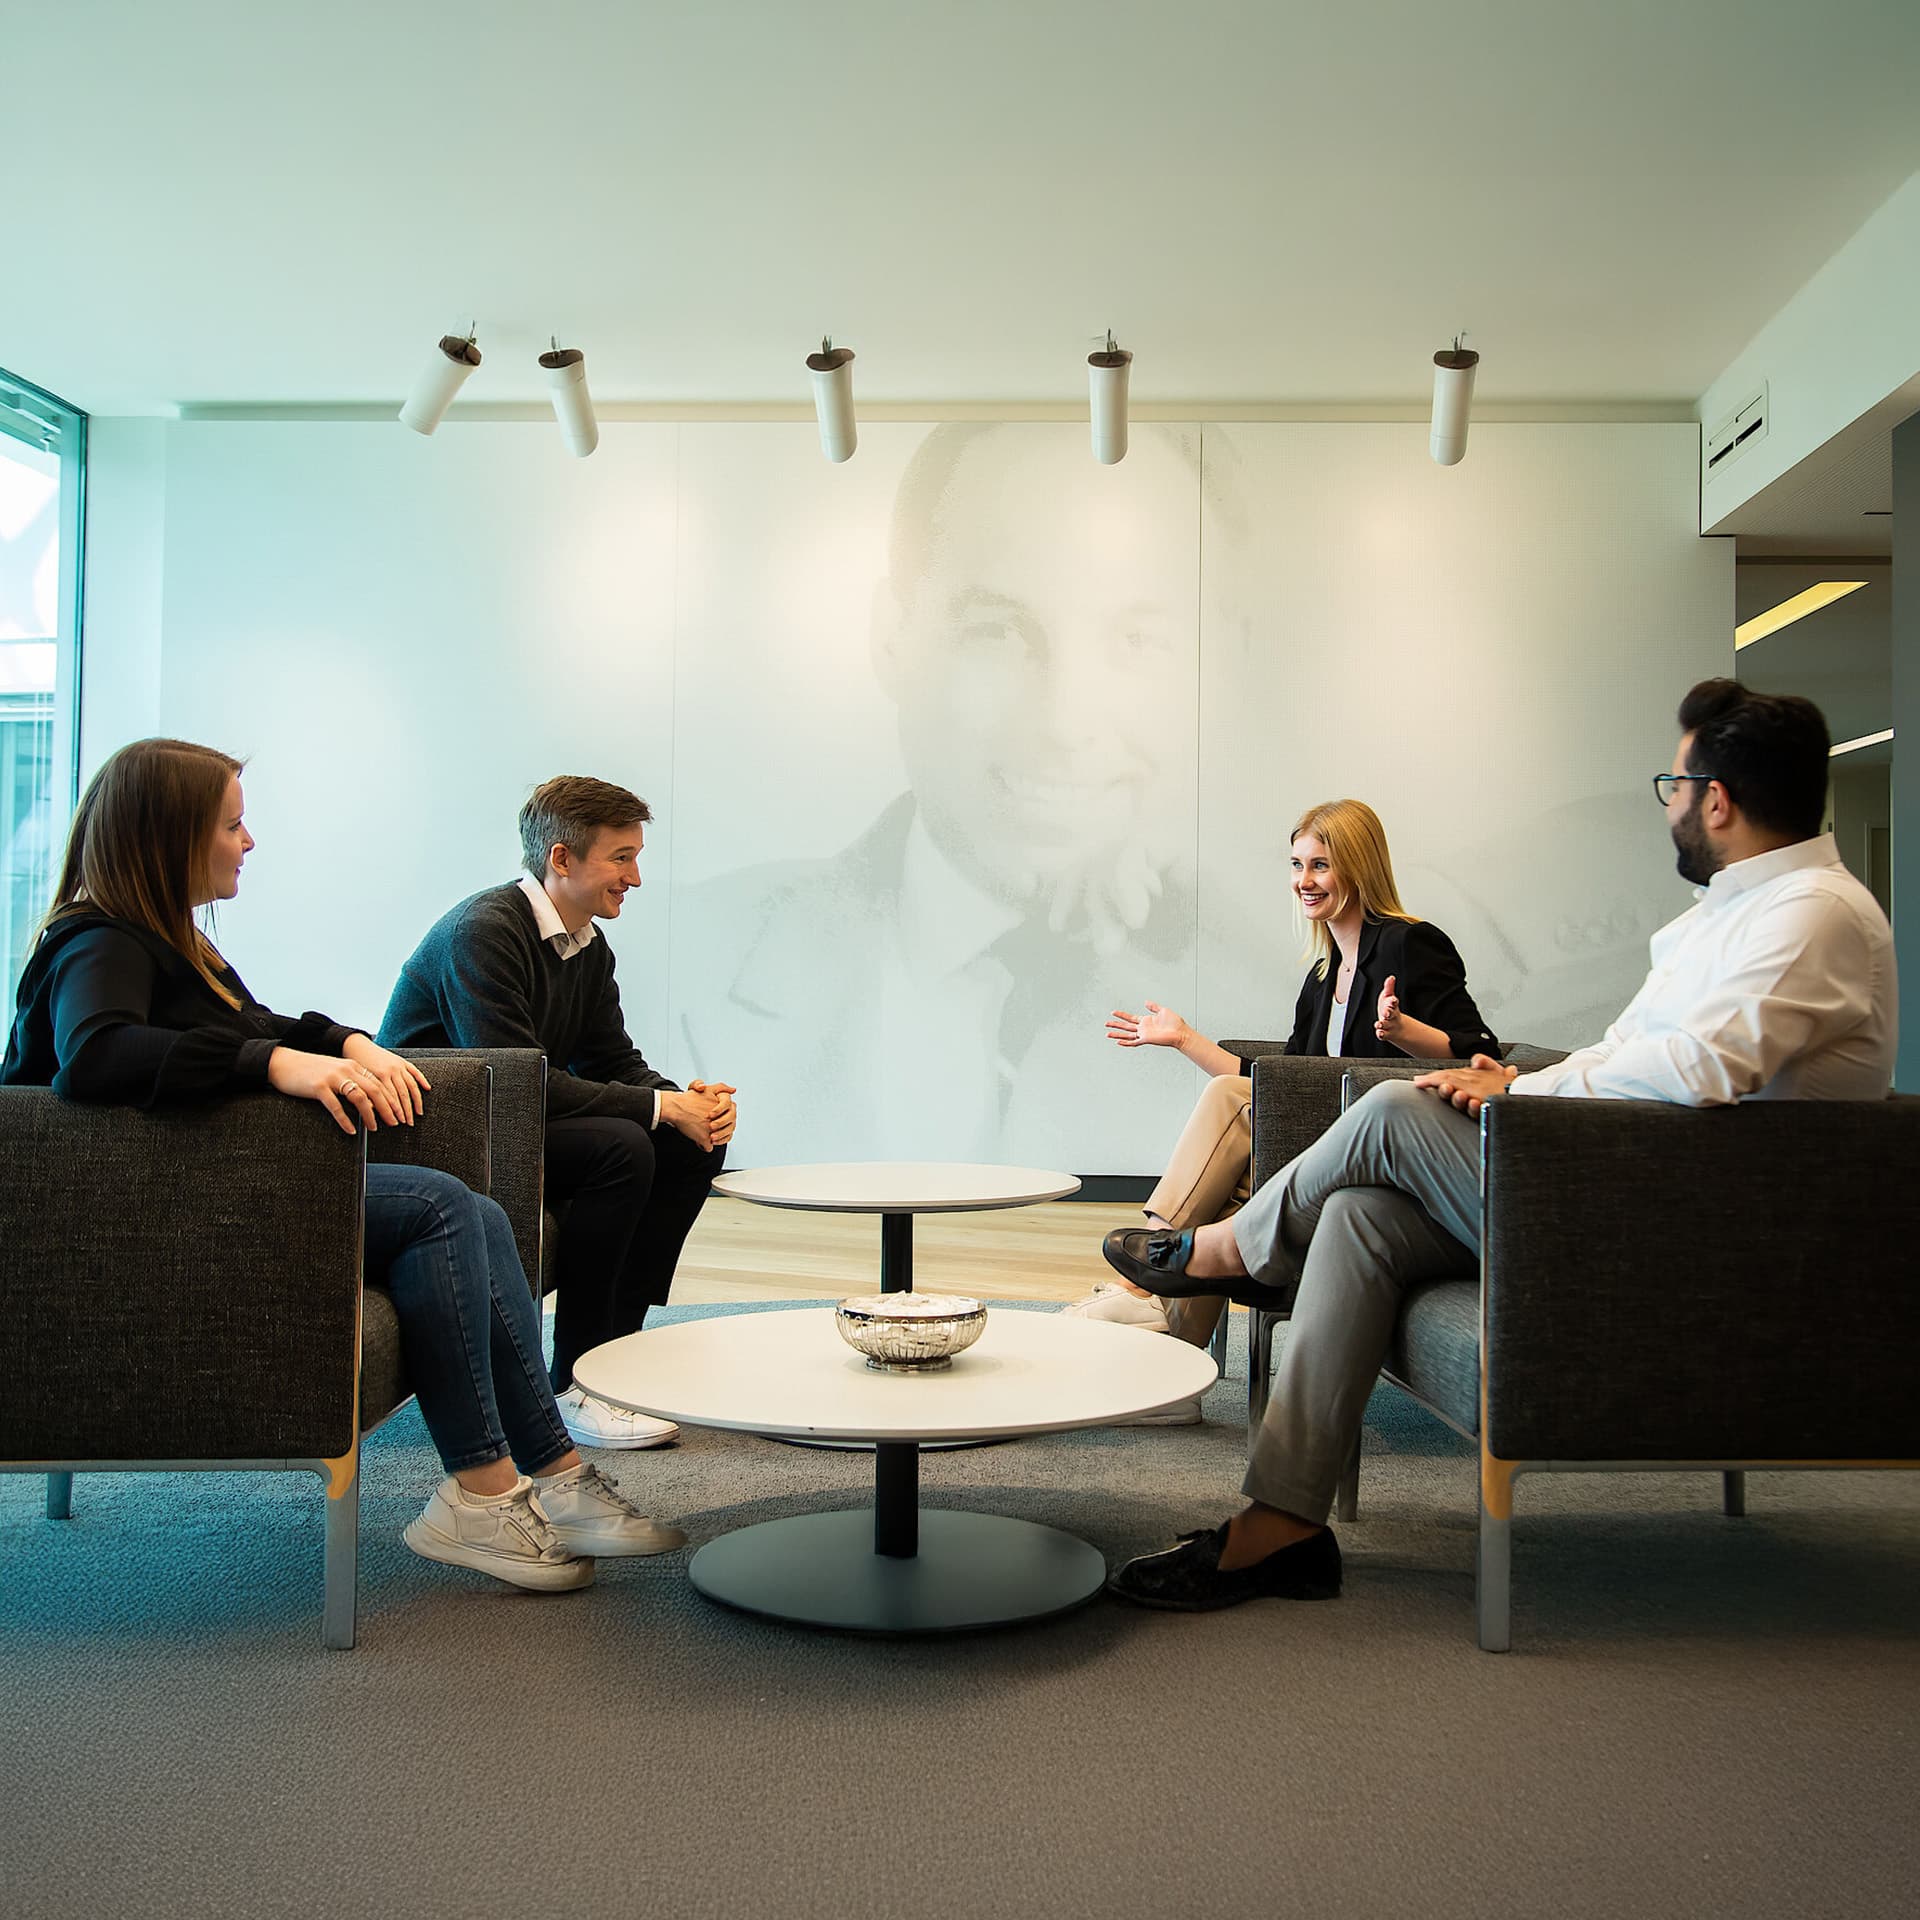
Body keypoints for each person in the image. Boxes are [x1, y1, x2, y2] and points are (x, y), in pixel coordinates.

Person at [1098, 681, 1897, 1610]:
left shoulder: (1812, 914)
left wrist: (1515, 1084)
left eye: (1672, 785)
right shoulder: (1740, 915)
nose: (1670, 804)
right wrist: (1522, 1084)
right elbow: (1628, 1053)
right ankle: (1285, 1524)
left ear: (1715, 797)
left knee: (1396, 1111)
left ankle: (1236, 1247)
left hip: (1693, 1232)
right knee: (1358, 1217)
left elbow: (1697, 1069)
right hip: (1631, 1186)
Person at [2, 738, 683, 1593]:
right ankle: (488, 1490)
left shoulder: (168, 945)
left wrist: (340, 1038)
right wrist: (276, 1066)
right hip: (148, 1223)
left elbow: (256, 1019)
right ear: (168, 835)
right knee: (444, 1206)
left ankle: (546, 1475)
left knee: (472, 1210)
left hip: (213, 1191)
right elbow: (96, 1055)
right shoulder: (97, 941)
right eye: (232, 824)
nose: (248, 843)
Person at [674, 422, 1207, 1169]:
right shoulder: (676, 957)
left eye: (1137, 642)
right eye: (998, 631)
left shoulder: (1263, 971)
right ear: (893, 636)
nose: (1065, 724)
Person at [1073, 798, 1496, 1387]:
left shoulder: (1411, 944)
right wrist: (1183, 1038)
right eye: (1297, 866)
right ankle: (1173, 1377)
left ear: (1358, 866)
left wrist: (1404, 1032)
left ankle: (1143, 1275)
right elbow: (1279, 1084)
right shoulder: (1323, 976)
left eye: (1320, 865)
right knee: (1232, 1180)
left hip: (1379, 1152)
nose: (1304, 881)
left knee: (1230, 1107)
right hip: (1319, 1143)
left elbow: (1482, 1053)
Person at [379, 775, 736, 1450]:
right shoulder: (483, 934)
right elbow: (516, 1082)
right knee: (621, 1148)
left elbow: (612, 1061)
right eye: (620, 857)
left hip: (507, 1121)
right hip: (438, 1138)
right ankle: (575, 1383)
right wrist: (660, 1107)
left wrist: (687, 1104)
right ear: (562, 859)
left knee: (692, 1144)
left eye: (635, 856)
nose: (634, 876)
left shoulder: (587, 946)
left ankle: (617, 1353)